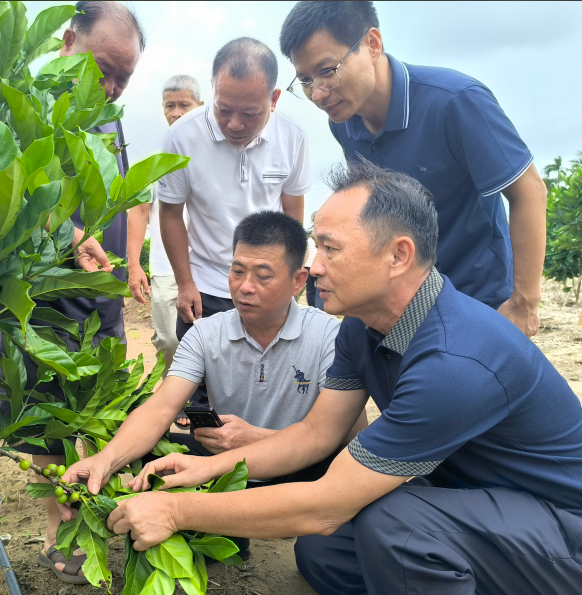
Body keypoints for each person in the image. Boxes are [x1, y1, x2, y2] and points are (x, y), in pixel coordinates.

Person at [101, 160, 582, 595]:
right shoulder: (361, 329)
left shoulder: (456, 362)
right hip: (473, 500)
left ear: (398, 255)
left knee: (395, 524)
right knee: (322, 553)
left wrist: (174, 510)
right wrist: (208, 467)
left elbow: (324, 504)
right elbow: (316, 433)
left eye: (330, 248)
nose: (314, 266)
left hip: (558, 524)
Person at [61, 211, 352, 558]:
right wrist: (106, 460)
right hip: (222, 469)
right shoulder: (206, 333)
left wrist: (260, 439)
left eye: (263, 276)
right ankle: (224, 529)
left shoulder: (328, 337)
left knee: (335, 487)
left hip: (302, 469)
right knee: (156, 451)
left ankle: (245, 521)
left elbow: (340, 435)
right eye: (237, 270)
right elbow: (162, 406)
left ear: (296, 280)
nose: (245, 286)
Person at [280, 1, 547, 337]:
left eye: (327, 71)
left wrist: (524, 302)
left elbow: (530, 193)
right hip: (404, 298)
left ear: (372, 45)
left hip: (474, 292)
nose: (318, 93)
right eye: (305, 80)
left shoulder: (455, 101)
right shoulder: (344, 120)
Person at [0, 1, 145, 583]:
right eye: (102, 69)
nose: (109, 86)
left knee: (94, 410)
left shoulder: (111, 118)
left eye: (122, 79)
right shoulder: (23, 102)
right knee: (46, 425)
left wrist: (127, 261)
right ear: (66, 40)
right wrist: (71, 233)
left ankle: (86, 513)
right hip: (39, 300)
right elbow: (6, 191)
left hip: (98, 293)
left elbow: (127, 197)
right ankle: (58, 529)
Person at [158, 37, 311, 412]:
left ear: (273, 100)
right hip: (205, 288)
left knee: (263, 387)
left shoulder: (292, 138)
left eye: (250, 113)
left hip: (267, 285)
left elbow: (293, 211)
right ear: (212, 91)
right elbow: (170, 213)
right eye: (224, 109)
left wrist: (288, 280)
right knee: (202, 398)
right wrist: (185, 283)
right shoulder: (182, 137)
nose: (234, 124)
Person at [126, 75, 204, 381]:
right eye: (170, 106)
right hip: (166, 267)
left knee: (211, 339)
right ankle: (179, 398)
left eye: (184, 105)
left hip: (210, 266)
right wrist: (134, 265)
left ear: (200, 106)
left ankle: (206, 402)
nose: (176, 112)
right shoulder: (153, 158)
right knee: (170, 338)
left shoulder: (215, 154)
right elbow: (139, 211)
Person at [304, 210, 324, 310]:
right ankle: (312, 307)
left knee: (320, 287)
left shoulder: (324, 234)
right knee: (310, 287)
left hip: (319, 265)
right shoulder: (307, 233)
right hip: (307, 265)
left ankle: (319, 309)